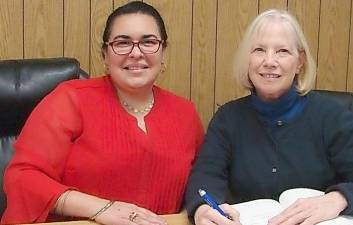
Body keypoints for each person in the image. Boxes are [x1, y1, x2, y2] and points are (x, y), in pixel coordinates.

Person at [184, 9, 353, 225]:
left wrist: (338, 199)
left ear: (300, 62)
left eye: (282, 51)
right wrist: (202, 210)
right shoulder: (227, 118)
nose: (269, 61)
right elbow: (204, 180)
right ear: (247, 59)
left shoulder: (333, 117)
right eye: (259, 50)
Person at [1, 1, 204, 225]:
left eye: (149, 42)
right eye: (122, 43)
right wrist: (101, 208)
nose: (136, 53)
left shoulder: (185, 113)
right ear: (105, 56)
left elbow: (203, 182)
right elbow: (23, 177)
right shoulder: (71, 99)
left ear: (163, 51)